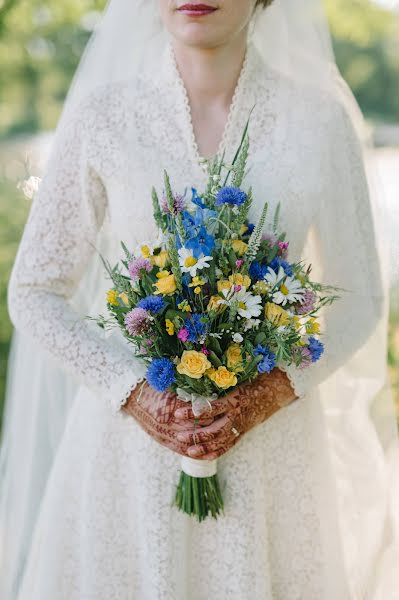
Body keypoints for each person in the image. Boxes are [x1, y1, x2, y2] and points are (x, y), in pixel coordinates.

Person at [1, 1, 398, 598]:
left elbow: (362, 296)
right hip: (124, 459)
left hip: (271, 459)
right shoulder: (104, 118)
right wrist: (134, 394)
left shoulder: (318, 121)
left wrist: (270, 393)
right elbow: (34, 291)